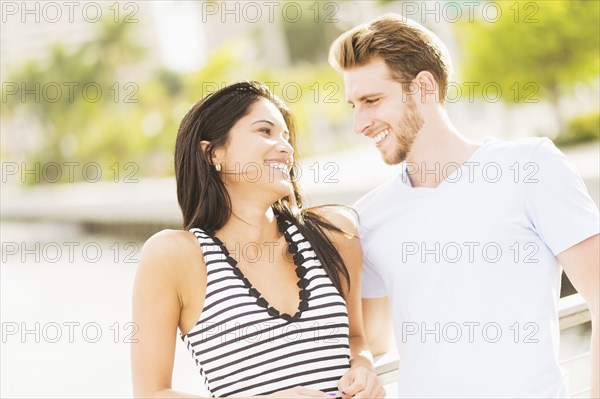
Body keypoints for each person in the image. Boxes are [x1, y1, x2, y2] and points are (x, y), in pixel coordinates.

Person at [328, 14, 599, 398]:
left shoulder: (530, 167)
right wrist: (362, 365)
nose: (360, 122)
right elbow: (369, 340)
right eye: (354, 105)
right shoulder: (368, 217)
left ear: (423, 87)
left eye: (372, 101)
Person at [131, 81, 385, 399]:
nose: (285, 147)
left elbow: (357, 339)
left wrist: (364, 370)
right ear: (213, 152)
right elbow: (150, 393)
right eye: (265, 131)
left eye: (286, 137)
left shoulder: (335, 233)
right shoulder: (173, 255)